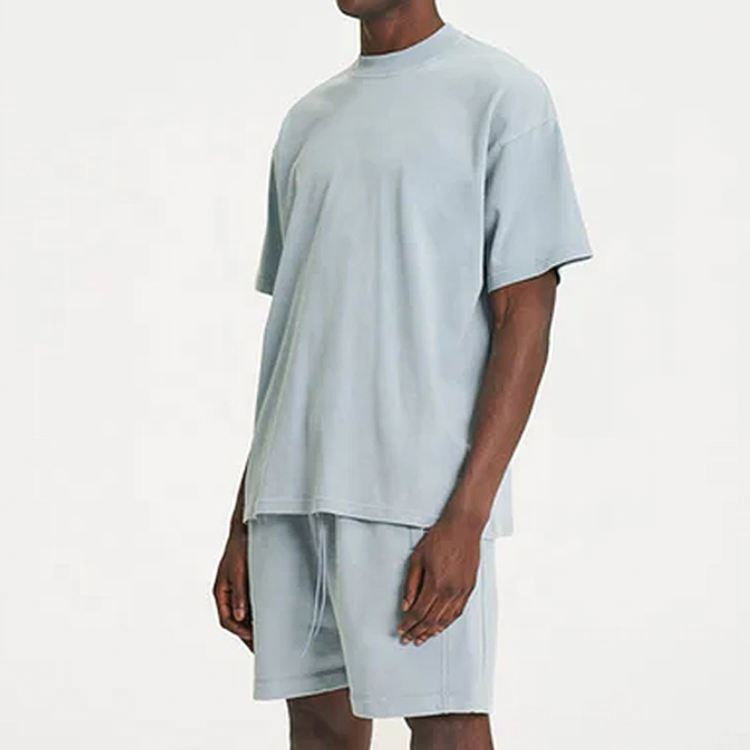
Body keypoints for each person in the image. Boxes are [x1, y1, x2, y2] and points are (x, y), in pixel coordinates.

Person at [213, 1, 591, 747]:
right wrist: (243, 516)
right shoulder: (308, 120)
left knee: (447, 724)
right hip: (291, 490)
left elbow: (525, 314)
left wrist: (467, 516)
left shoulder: (500, 94)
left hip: (414, 492)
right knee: (318, 726)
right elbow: (297, 334)